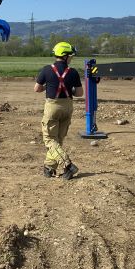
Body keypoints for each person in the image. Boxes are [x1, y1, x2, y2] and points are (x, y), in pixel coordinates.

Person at [35, 41, 83, 179]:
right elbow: (79, 93)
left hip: (52, 106)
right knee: (58, 140)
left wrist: (47, 86)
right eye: (70, 55)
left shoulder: (46, 69)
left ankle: (68, 165)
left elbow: (37, 89)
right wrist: (69, 88)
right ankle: (49, 168)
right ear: (65, 56)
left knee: (50, 139)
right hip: (67, 107)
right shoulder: (73, 72)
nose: (71, 58)